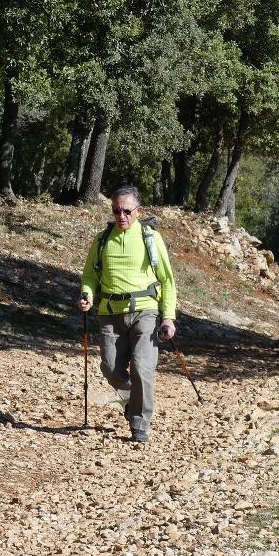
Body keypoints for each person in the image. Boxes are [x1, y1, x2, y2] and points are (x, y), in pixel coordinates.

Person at [78, 185, 177, 443]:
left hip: (146, 312)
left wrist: (168, 317)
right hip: (110, 313)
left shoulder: (150, 238)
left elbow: (167, 280)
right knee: (110, 368)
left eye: (126, 211)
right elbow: (90, 275)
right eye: (116, 211)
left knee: (143, 368)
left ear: (139, 211)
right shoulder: (102, 240)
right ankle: (133, 400)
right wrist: (87, 295)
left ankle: (139, 424)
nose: (121, 216)